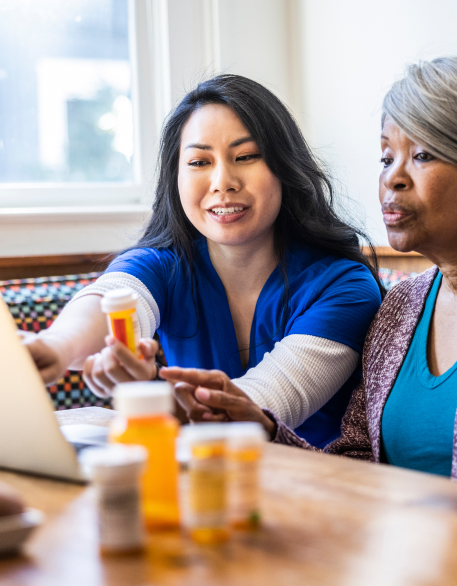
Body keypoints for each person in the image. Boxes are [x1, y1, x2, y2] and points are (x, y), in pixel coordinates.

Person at [163, 56, 457, 506]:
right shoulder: (401, 306)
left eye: (423, 155)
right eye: (386, 157)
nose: (393, 178)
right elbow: (357, 466)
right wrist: (263, 430)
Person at [23, 75, 383, 449]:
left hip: (314, 486)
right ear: (175, 179)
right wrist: (54, 348)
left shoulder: (344, 286)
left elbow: (256, 410)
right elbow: (113, 300)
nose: (222, 181)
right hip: (200, 482)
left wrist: (145, 393)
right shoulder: (162, 266)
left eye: (246, 157)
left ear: (284, 168)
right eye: (198, 162)